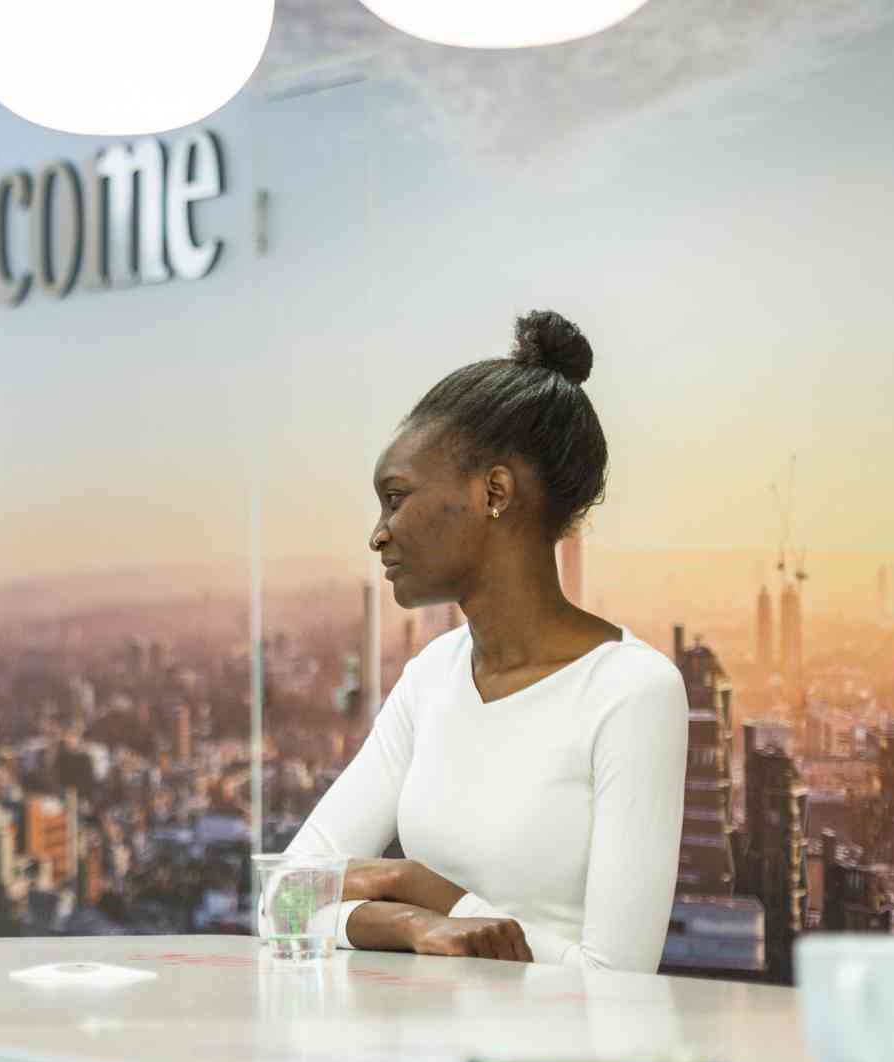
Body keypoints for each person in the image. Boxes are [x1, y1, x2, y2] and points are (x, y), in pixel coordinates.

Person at [285, 310, 688, 972]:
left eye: (396, 497)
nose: (378, 533)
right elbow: (285, 899)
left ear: (495, 492)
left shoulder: (631, 692)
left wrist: (419, 888)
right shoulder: (432, 677)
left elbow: (617, 979)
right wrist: (412, 921)